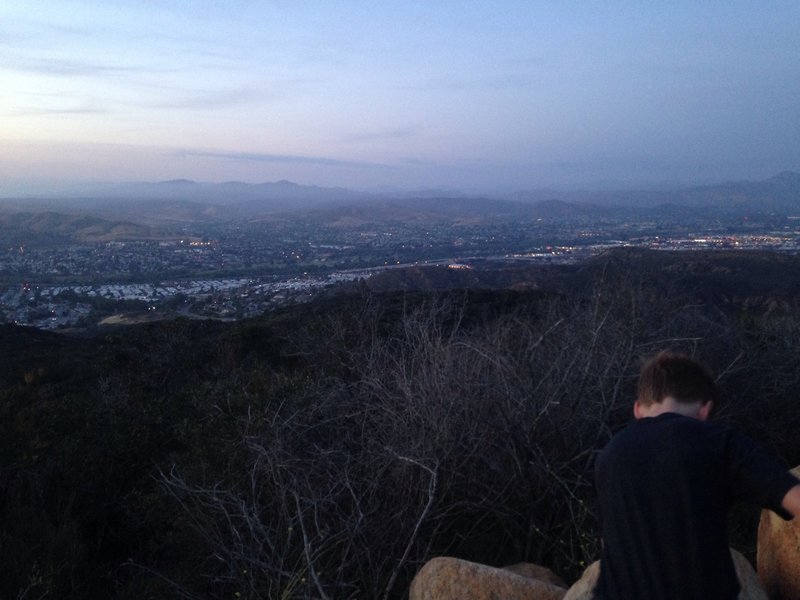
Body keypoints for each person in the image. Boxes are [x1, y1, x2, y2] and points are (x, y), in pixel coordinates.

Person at [593, 350, 800, 600]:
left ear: (637, 408)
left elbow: (609, 545)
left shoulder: (608, 456)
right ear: (705, 409)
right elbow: (794, 498)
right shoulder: (719, 443)